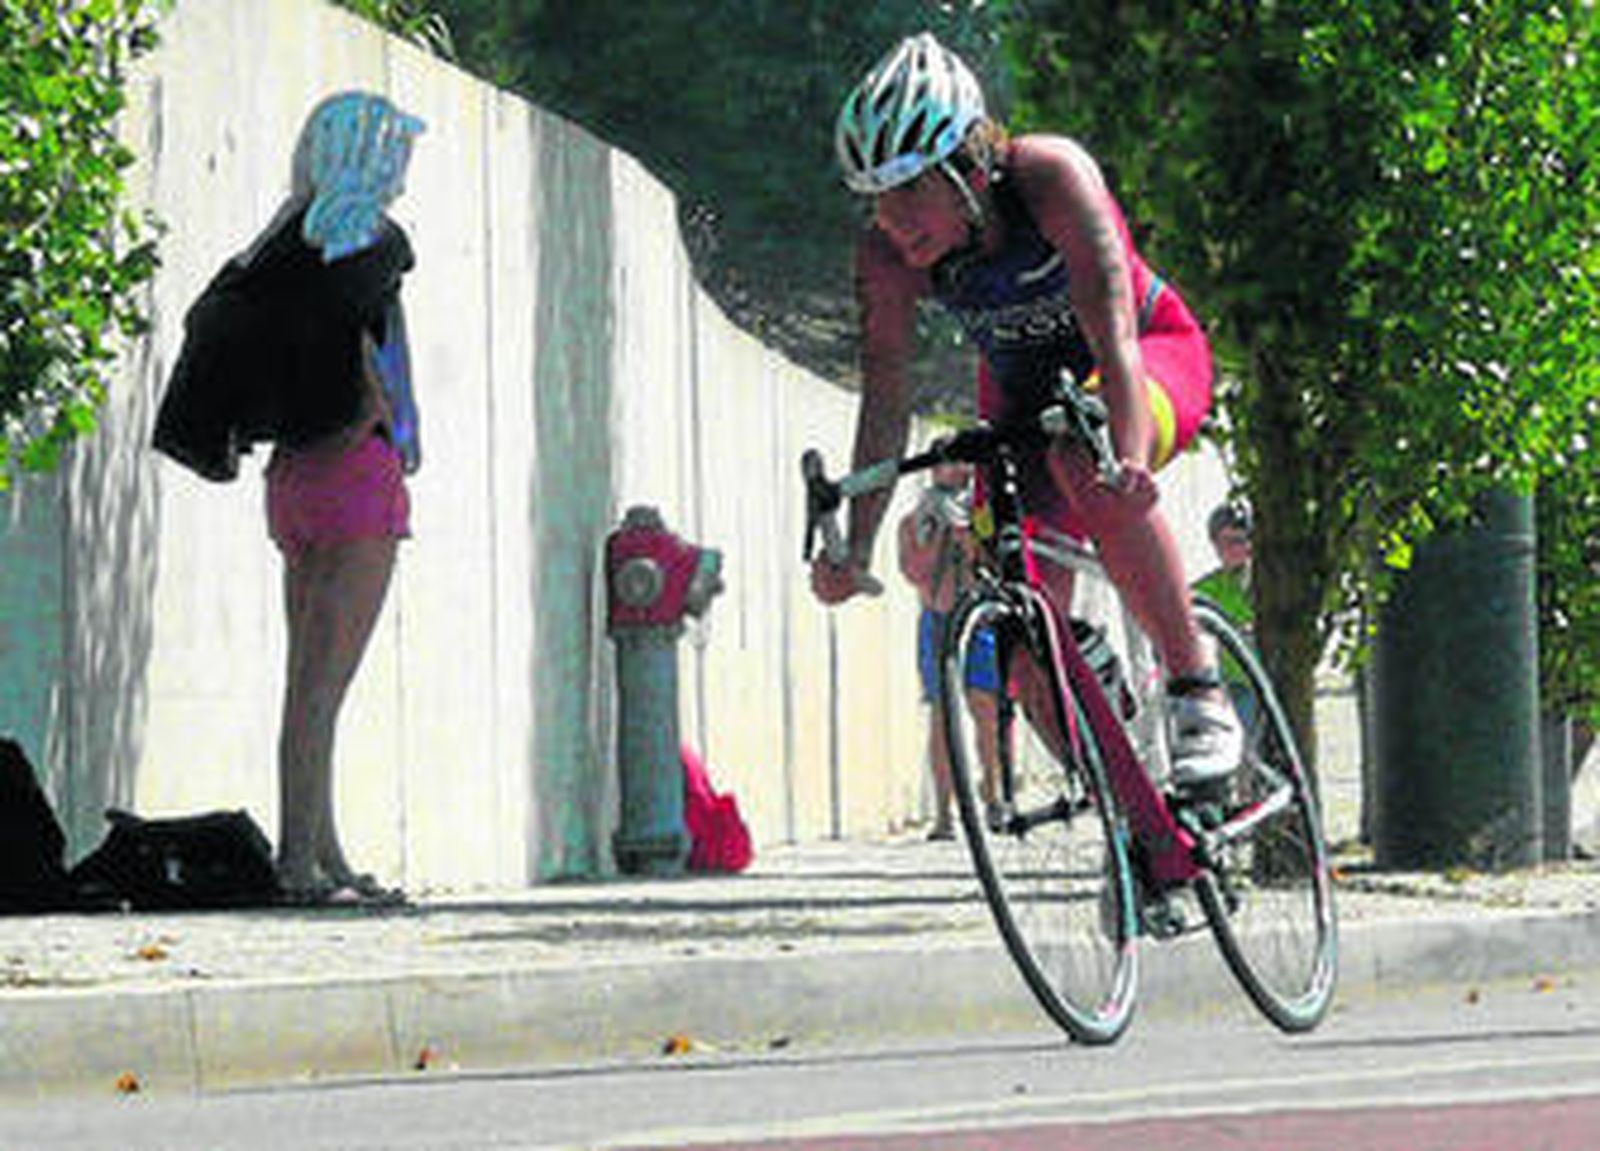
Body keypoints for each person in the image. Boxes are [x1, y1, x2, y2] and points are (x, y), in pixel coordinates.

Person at [810, 33, 1241, 791]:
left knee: (1083, 452)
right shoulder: (884, 255)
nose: (892, 218)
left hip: (1147, 357)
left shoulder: (1051, 176)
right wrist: (857, 547)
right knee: (1014, 628)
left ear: (970, 167)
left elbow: (1112, 322)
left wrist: (1130, 460)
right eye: (875, 198)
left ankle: (1196, 687)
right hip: (1020, 397)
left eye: (910, 188)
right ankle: (1141, 831)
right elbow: (885, 400)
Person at [244, 93, 424, 905]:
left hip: (293, 479)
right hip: (356, 478)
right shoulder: (362, 236)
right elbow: (355, 336)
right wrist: (375, 413)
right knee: (327, 685)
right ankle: (297, 862)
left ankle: (320, 852)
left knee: (304, 682)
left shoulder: (284, 233)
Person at [896, 450, 998, 838]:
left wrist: (971, 540)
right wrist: (940, 539)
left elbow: (992, 562)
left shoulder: (981, 515)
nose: (959, 468)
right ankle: (944, 812)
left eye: (962, 461)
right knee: (941, 717)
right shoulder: (916, 520)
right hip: (937, 619)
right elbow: (913, 570)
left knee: (985, 710)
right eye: (949, 462)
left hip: (978, 619)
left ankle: (993, 792)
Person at [1193, 502, 1253, 628]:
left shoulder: (1270, 583)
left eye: (1240, 540)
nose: (1235, 548)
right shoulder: (1208, 588)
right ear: (1215, 544)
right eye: (1227, 542)